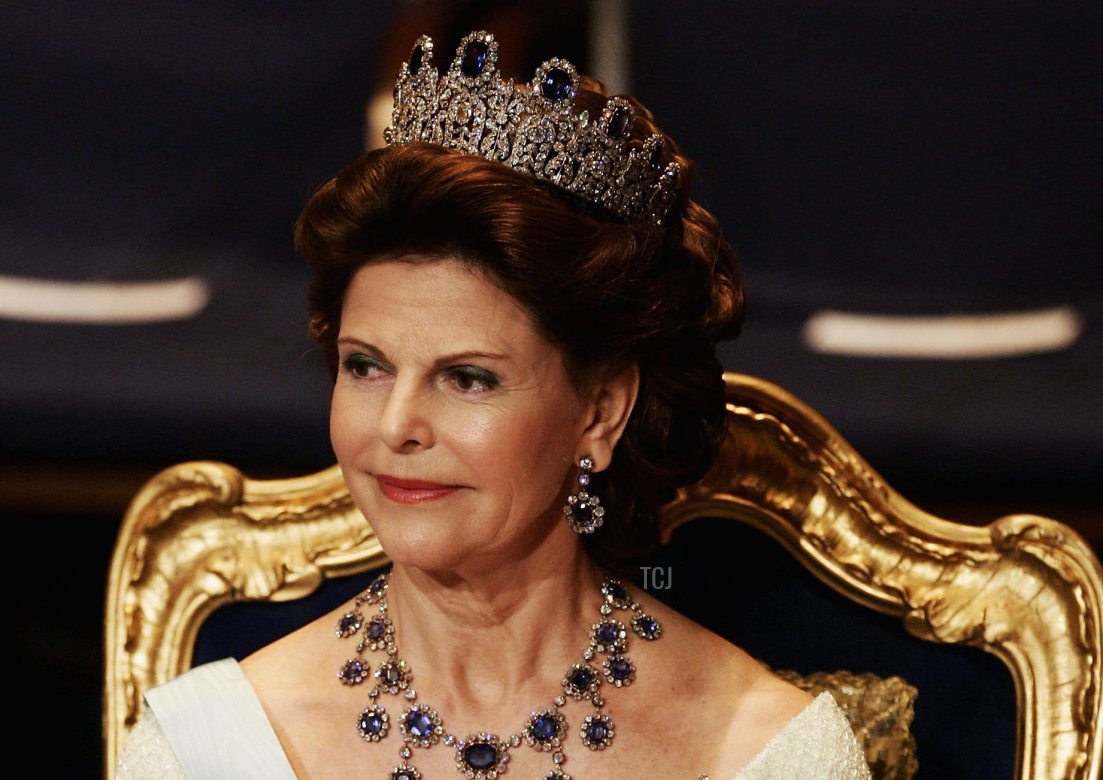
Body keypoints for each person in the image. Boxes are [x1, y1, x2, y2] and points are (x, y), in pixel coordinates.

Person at [115, 29, 872, 780]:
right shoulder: (206, 749)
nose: (395, 426)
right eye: (366, 367)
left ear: (600, 413)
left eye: (468, 379)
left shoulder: (766, 751)